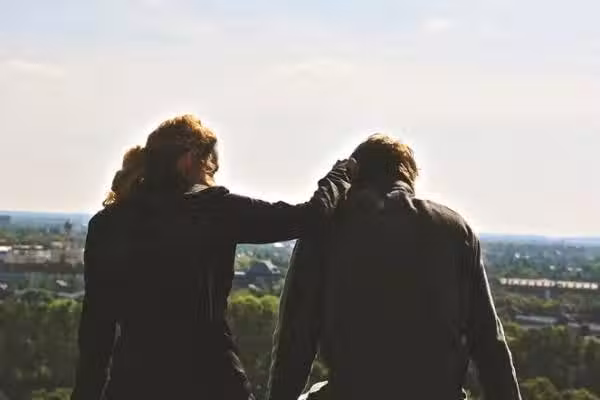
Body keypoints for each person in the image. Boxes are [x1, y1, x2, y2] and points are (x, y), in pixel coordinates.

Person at [71, 115, 351, 400]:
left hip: (135, 383)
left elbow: (96, 328)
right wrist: (340, 176)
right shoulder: (213, 210)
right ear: (189, 160)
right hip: (212, 380)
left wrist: (85, 393)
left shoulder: (107, 224)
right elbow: (310, 217)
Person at [268, 134, 522, 400]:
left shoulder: (327, 228)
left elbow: (294, 341)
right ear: (408, 175)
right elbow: (489, 344)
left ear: (354, 177)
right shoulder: (455, 229)